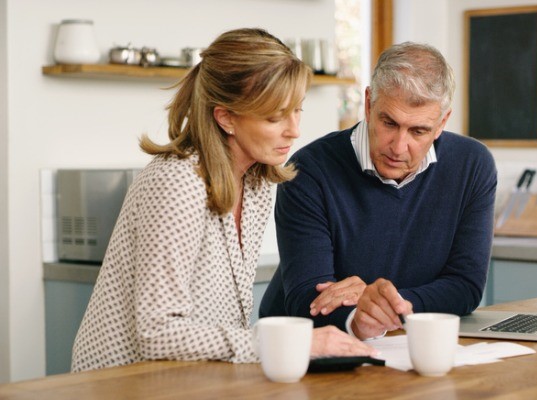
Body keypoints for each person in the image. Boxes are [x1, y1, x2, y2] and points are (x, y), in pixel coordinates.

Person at [71, 28, 376, 372]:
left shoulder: (258, 181)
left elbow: (226, 319)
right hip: (120, 383)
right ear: (226, 117)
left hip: (194, 380)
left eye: (297, 110)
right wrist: (290, 343)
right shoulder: (177, 182)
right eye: (275, 117)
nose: (294, 130)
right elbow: (156, 334)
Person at [259, 42, 497, 340]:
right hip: (300, 348)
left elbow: (465, 287)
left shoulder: (472, 165)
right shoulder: (308, 170)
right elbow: (306, 297)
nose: (399, 147)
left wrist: (383, 304)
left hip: (398, 342)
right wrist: (363, 315)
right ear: (369, 103)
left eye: (418, 131)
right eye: (389, 123)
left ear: (442, 123)